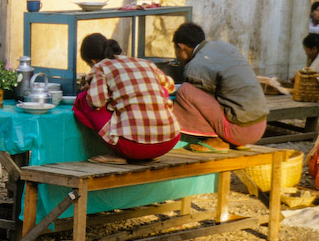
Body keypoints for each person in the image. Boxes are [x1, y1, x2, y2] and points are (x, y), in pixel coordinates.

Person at [72, 34, 181, 164]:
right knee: (160, 92)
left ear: (93, 61)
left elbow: (96, 102)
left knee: (83, 99)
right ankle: (148, 151)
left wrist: (90, 88)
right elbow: (170, 86)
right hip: (169, 141)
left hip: (133, 147)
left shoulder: (100, 67)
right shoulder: (144, 63)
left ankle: (115, 152)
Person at [172, 22, 268, 152]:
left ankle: (215, 139)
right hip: (260, 126)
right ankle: (234, 141)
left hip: (239, 131)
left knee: (185, 91)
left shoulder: (195, 66)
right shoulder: (223, 46)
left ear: (181, 47)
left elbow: (201, 102)